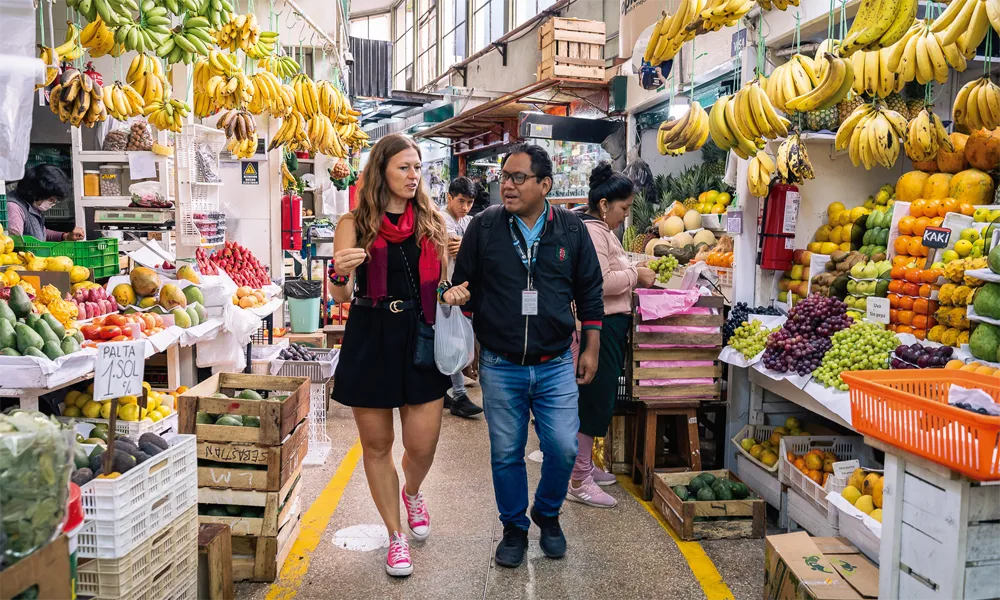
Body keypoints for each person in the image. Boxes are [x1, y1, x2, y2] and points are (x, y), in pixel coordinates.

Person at [443, 143, 605, 568]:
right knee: (506, 452)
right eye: (504, 178)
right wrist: (461, 304)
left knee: (564, 447)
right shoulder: (485, 226)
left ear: (544, 184)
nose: (507, 186)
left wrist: (591, 346)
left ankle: (547, 514)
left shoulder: (571, 229)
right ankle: (514, 527)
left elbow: (589, 291)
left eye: (518, 178)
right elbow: (465, 284)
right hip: (500, 363)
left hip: (554, 363)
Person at [330, 133, 450, 578]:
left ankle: (412, 491)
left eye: (417, 167)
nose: (413, 175)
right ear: (381, 170)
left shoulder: (431, 221)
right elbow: (339, 293)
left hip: (421, 336)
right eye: (404, 167)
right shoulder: (355, 222)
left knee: (422, 444)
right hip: (371, 333)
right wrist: (338, 272)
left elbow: (447, 281)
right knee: (377, 445)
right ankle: (395, 537)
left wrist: (456, 283)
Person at [566, 162, 656, 509]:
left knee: (598, 397)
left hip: (607, 325)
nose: (625, 215)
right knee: (592, 400)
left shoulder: (601, 230)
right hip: (599, 325)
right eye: (623, 208)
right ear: (604, 205)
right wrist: (635, 274)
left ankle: (586, 466)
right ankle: (579, 478)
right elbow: (599, 282)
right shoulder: (593, 231)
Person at [438, 177, 483, 418]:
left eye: (469, 202)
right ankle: (459, 395)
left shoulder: (468, 221)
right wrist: (469, 246)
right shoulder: (440, 219)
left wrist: (465, 245)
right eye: (461, 201)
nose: (465, 207)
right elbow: (449, 246)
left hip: (462, 291)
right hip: (444, 290)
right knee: (452, 340)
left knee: (453, 339)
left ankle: (447, 391)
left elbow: (473, 248)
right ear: (449, 197)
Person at [7, 165, 84, 240]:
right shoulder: (13, 208)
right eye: (51, 199)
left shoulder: (32, 205)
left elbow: (40, 234)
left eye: (55, 201)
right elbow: (15, 243)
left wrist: (65, 236)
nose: (52, 204)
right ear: (36, 192)